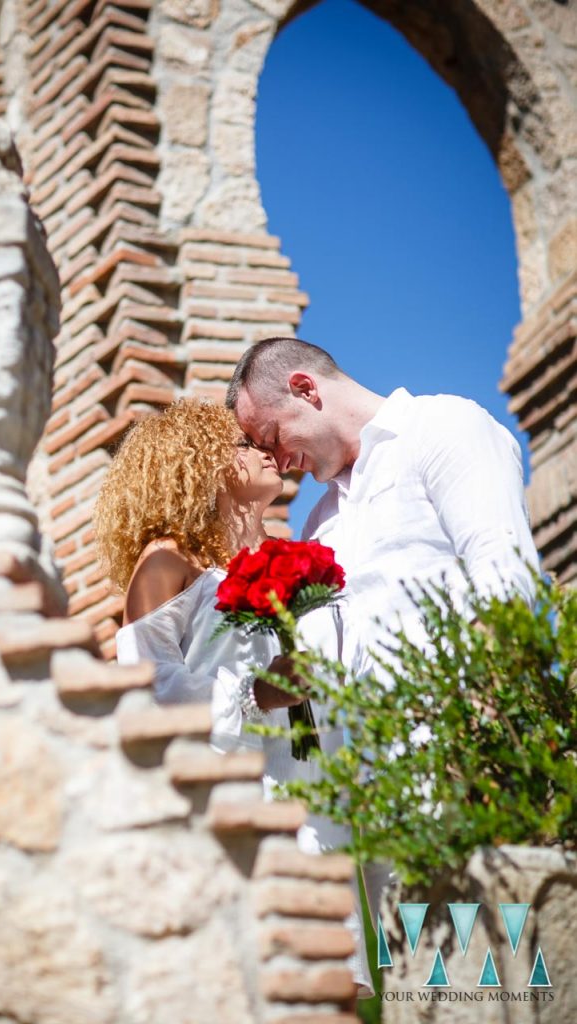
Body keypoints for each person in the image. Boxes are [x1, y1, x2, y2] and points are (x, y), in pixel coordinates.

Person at [226, 336, 540, 923]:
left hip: (460, 765)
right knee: (418, 1000)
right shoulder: (320, 523)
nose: (281, 463)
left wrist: (474, 737)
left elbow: (505, 581)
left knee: (496, 986)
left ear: (305, 389)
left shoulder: (442, 426)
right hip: (374, 803)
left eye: (271, 439)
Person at [93, 398, 373, 998]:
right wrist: (256, 691)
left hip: (312, 802)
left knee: (324, 991)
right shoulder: (168, 562)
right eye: (242, 446)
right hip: (233, 807)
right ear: (198, 467)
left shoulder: (283, 562)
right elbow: (145, 685)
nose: (262, 451)